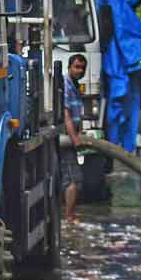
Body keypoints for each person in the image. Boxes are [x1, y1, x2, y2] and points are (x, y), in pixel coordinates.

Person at [61, 53, 87, 222]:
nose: (80, 71)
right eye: (77, 67)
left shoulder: (75, 86)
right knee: (73, 180)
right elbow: (66, 114)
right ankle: (69, 217)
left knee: (75, 179)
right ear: (69, 67)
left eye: (82, 68)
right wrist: (75, 138)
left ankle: (69, 214)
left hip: (71, 138)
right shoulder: (66, 85)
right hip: (65, 139)